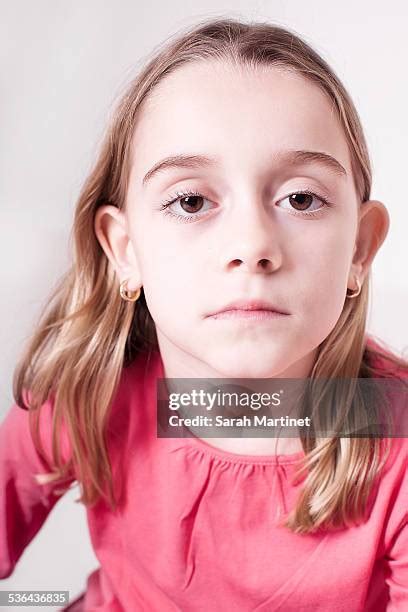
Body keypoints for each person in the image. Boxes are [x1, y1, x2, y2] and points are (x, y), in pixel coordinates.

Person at [1, 16, 407, 612]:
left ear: (360, 249)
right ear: (125, 250)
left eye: (300, 198)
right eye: (191, 201)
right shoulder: (90, 392)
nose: (251, 244)